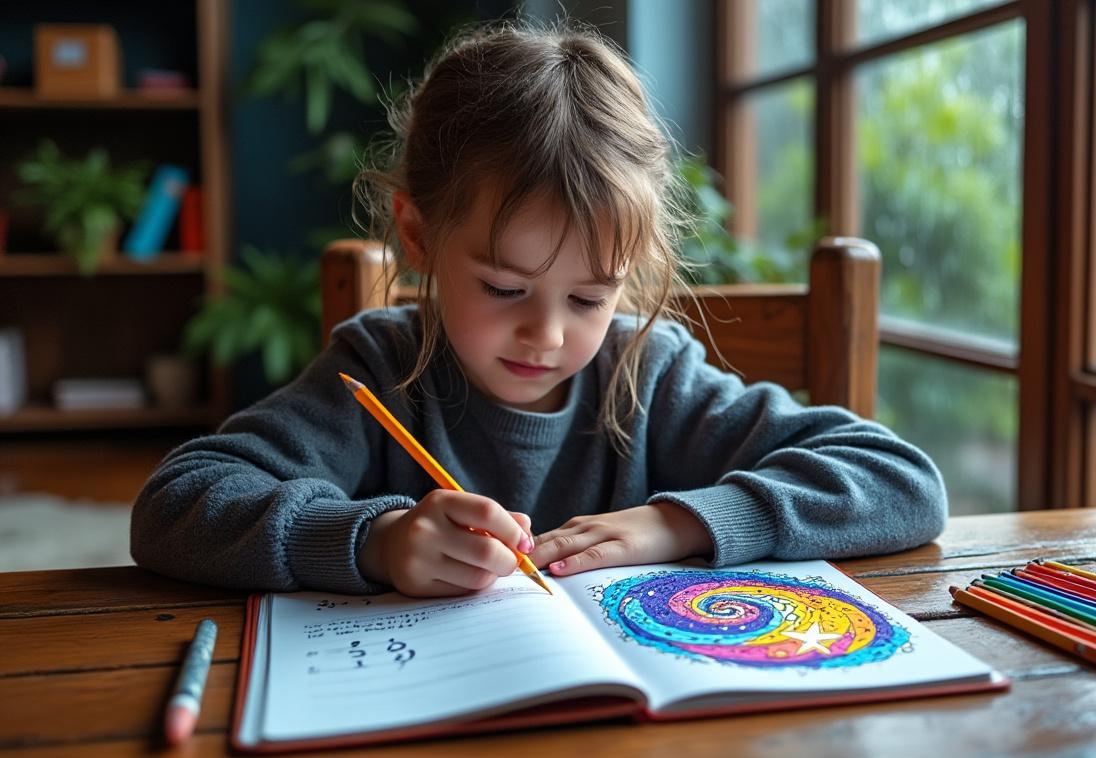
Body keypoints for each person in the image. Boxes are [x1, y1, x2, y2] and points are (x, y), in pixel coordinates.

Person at [131, 22, 947, 597]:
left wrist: (683, 523)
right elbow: (176, 505)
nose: (548, 335)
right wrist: (371, 542)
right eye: (504, 287)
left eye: (591, 297)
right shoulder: (377, 369)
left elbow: (903, 481)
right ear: (418, 236)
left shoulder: (648, 372)